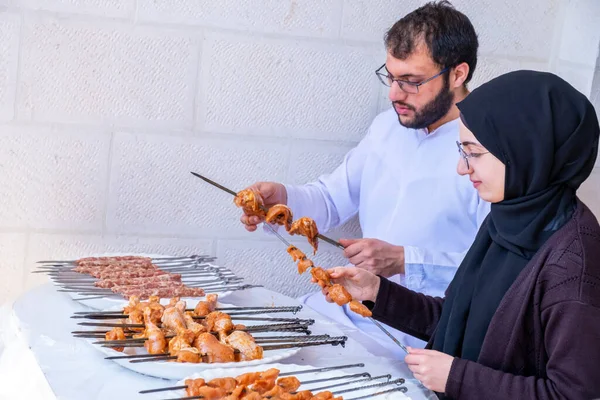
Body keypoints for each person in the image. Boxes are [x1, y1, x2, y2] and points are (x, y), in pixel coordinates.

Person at [322, 70, 600, 399]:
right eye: (461, 149)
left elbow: (574, 394)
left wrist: (457, 377)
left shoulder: (573, 263)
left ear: (526, 150)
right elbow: (453, 317)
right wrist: (376, 293)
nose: (462, 167)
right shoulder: (506, 220)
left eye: (473, 152)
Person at [239, 1, 489, 354]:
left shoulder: (490, 146)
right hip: (346, 307)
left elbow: (496, 270)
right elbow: (330, 199)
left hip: (420, 332)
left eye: (411, 82)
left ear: (458, 74)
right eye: (390, 76)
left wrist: (405, 260)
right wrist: (282, 199)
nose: (393, 94)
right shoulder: (387, 126)